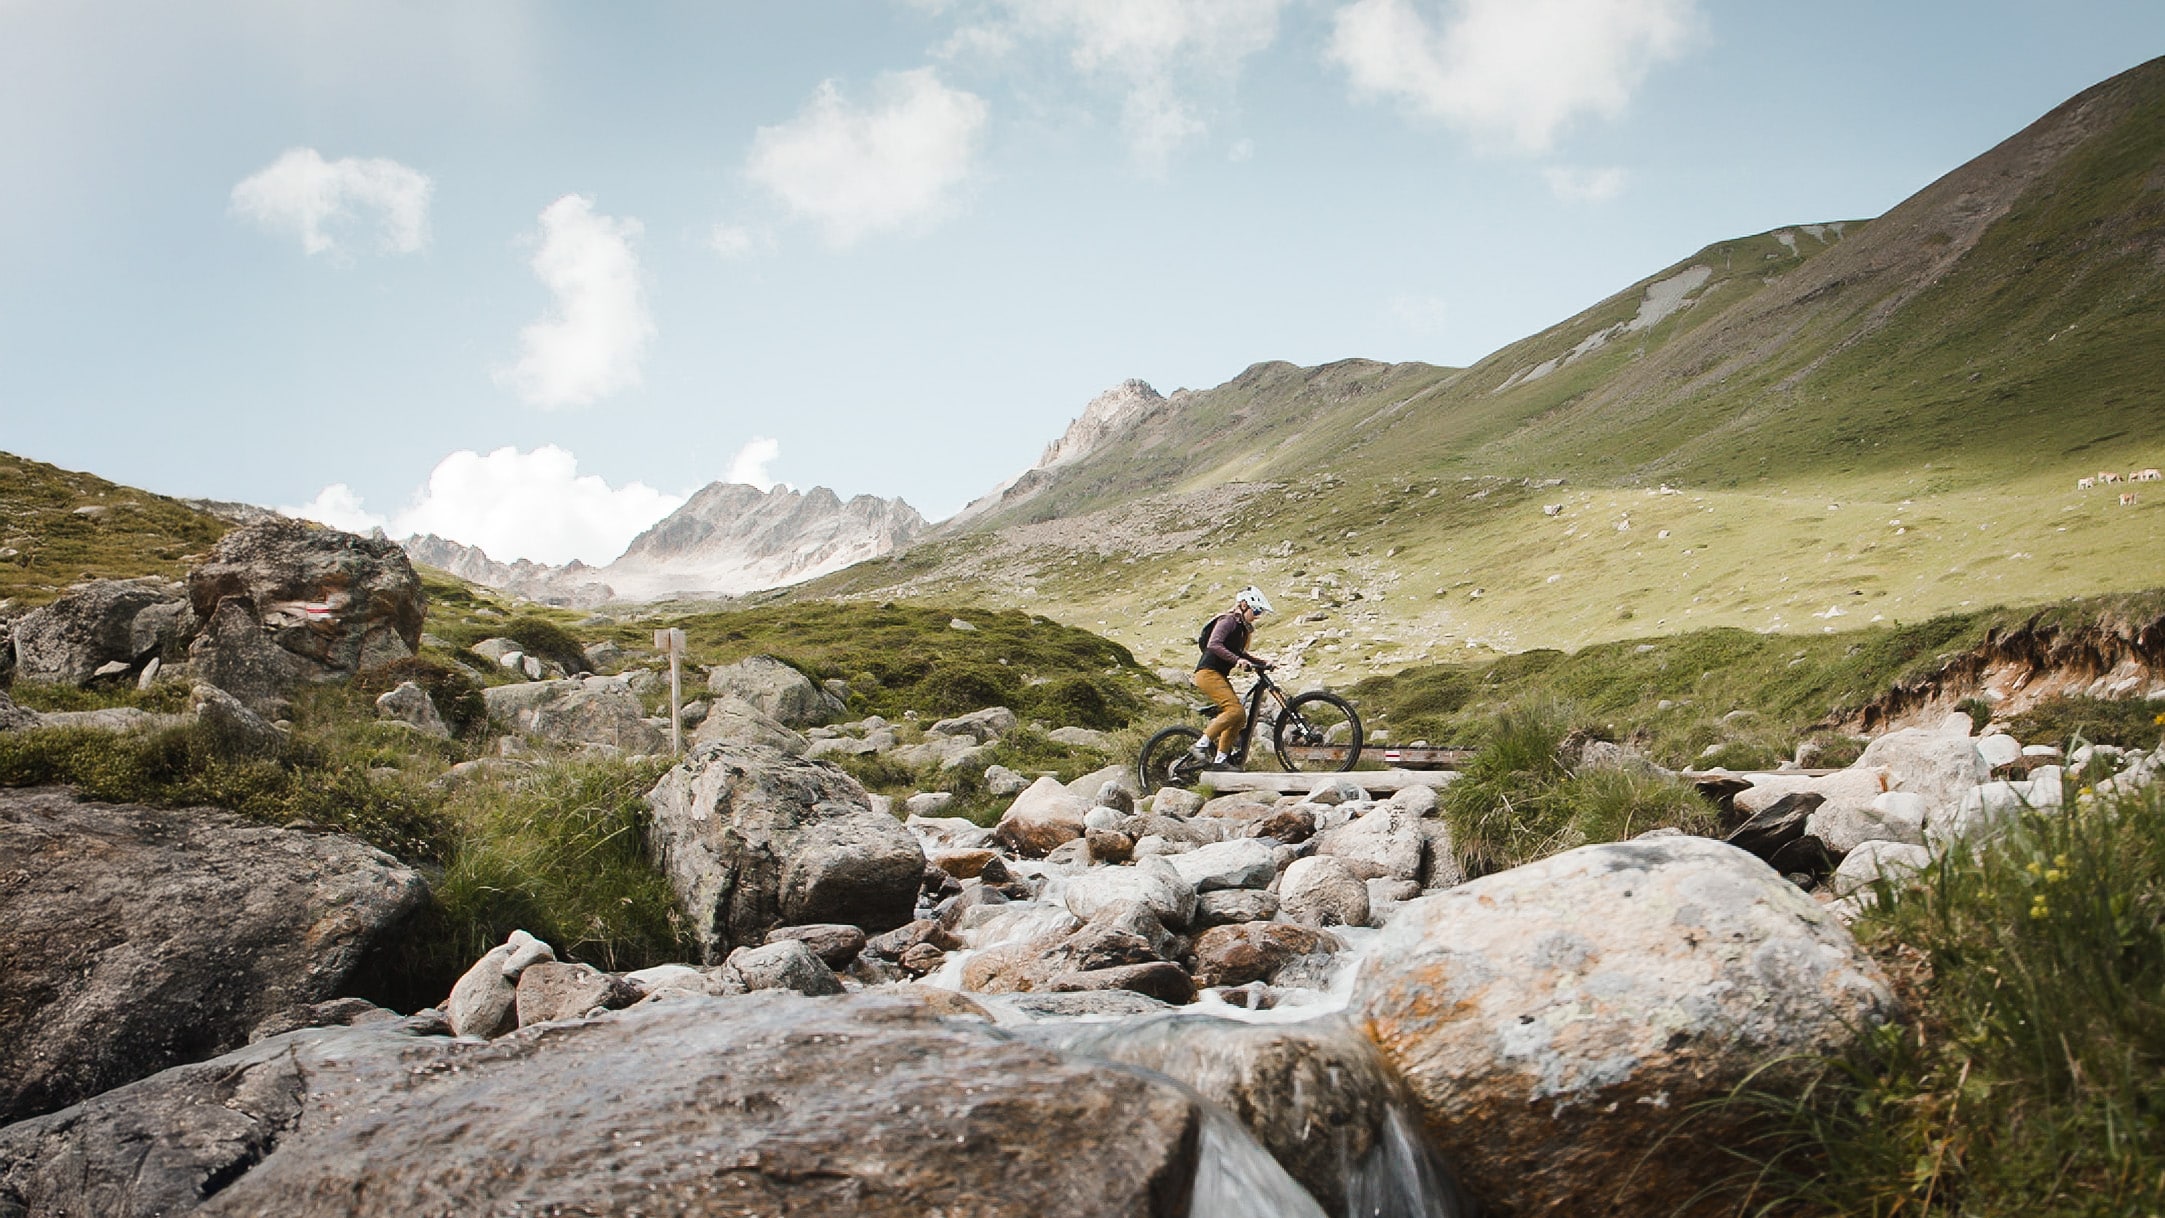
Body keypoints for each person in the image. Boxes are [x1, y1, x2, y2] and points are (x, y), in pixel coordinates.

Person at [1190, 586, 1274, 767]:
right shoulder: (1228, 621)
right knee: (1234, 711)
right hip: (1207, 673)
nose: (1258, 615)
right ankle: (1201, 744)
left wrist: (1262, 662)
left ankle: (1221, 760)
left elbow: (1240, 653)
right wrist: (1237, 661)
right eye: (1257, 610)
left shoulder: (1242, 629)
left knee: (1239, 717)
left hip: (1218, 675)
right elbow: (1214, 644)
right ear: (1244, 605)